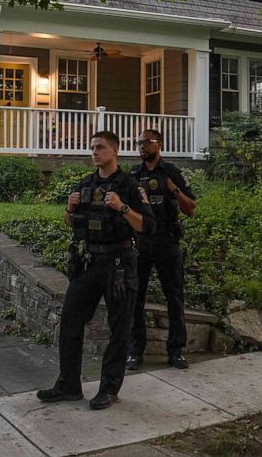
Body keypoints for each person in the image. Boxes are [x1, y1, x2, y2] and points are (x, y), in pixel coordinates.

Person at [37, 130, 155, 410]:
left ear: (114, 151)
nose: (94, 152)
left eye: (100, 147)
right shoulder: (86, 183)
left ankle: (109, 388)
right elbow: (70, 222)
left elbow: (148, 227)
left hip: (119, 264)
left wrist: (123, 207)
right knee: (70, 321)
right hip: (89, 262)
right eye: (92, 148)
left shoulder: (129, 186)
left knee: (119, 328)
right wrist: (69, 208)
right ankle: (68, 384)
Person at [126, 129, 196, 371]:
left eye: (147, 142)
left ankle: (176, 351)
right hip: (141, 242)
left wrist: (173, 189)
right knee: (135, 298)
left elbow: (191, 208)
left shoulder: (171, 172)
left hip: (167, 241)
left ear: (159, 144)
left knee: (174, 297)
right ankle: (135, 352)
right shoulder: (133, 175)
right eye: (139, 143)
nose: (142, 147)